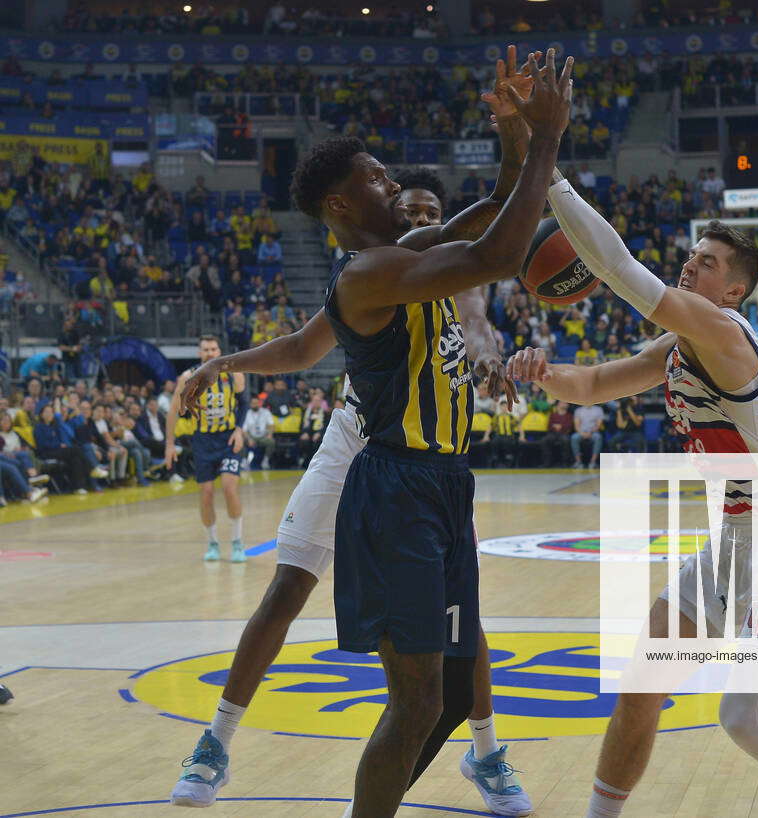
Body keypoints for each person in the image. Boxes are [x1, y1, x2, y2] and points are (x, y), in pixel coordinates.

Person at [169, 46, 567, 817]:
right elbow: (501, 251)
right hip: (389, 472)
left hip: (443, 477)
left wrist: (516, 132)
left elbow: (491, 208)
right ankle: (216, 741)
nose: (397, 188)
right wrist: (549, 137)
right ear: (343, 207)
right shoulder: (367, 273)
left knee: (441, 678)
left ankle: (484, 751)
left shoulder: (402, 250)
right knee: (401, 687)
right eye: (380, 180)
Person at [516, 175, 758, 815]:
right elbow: (592, 383)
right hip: (735, 541)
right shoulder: (679, 347)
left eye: (707, 263)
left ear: (734, 291)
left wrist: (552, 180)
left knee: (745, 722)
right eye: (692, 255)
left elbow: (619, 268)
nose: (690, 264)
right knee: (640, 688)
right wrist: (541, 373)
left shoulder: (727, 334)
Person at [165, 334, 247, 563]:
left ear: (219, 351)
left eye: (213, 349)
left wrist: (239, 429)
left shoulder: (234, 374)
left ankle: (237, 542)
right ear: (199, 352)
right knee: (207, 493)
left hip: (228, 439)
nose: (210, 353)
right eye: (205, 349)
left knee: (230, 487)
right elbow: (173, 411)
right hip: (202, 439)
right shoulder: (187, 378)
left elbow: (245, 404)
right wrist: (170, 444)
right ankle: (212, 543)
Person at [241, 395, 275, 469]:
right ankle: (244, 461)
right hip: (251, 436)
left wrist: (270, 434)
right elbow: (244, 430)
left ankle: (265, 460)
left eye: (257, 403)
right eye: (253, 403)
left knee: (271, 441)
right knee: (241, 440)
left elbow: (271, 425)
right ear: (250, 404)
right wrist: (249, 439)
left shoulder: (266, 412)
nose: (255, 405)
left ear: (260, 403)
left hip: (263, 436)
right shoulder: (247, 413)